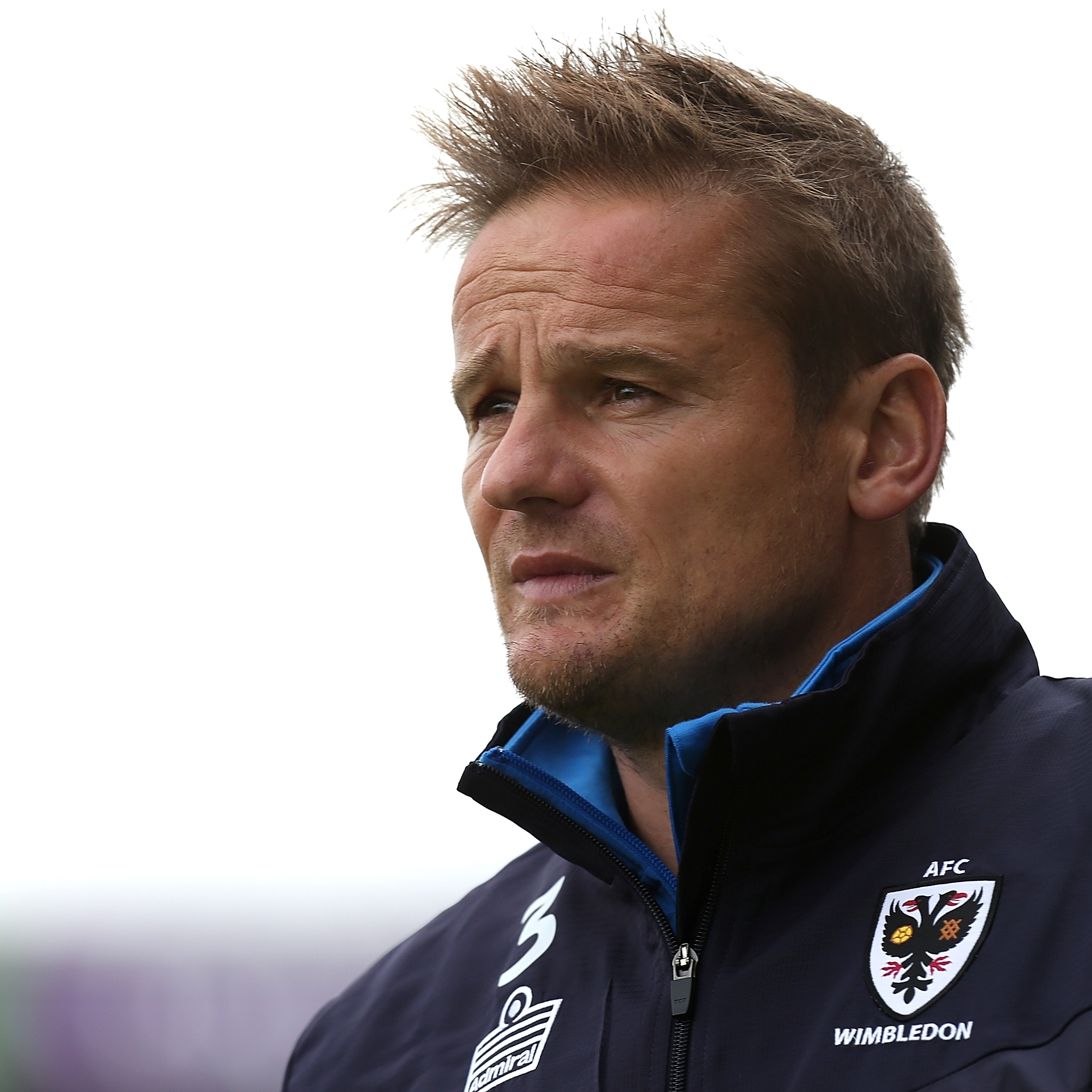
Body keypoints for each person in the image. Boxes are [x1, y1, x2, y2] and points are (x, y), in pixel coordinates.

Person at [284, 28, 1092, 1092]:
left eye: (624, 389)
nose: (514, 472)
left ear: (883, 440)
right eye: (491, 405)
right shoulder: (378, 1051)